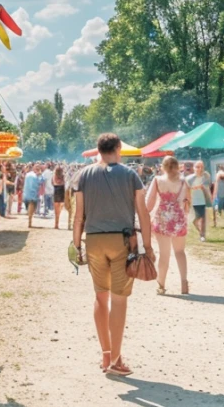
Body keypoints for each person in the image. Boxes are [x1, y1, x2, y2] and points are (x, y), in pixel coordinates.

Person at [73, 133, 151, 377]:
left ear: (98, 149)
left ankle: (106, 353)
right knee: (119, 299)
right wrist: (148, 247)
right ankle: (116, 360)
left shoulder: (83, 175)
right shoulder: (130, 175)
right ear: (118, 148)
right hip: (122, 240)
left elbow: (78, 215)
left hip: (94, 240)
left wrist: (76, 245)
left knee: (100, 296)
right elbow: (143, 213)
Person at [145, 155, 190, 295]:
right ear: (178, 167)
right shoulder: (184, 182)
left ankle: (161, 285)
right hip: (178, 218)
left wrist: (145, 214)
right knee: (180, 251)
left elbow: (150, 201)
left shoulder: (158, 180)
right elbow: (187, 204)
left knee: (164, 254)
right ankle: (184, 282)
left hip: (162, 218)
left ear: (162, 167)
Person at [186, 160, 213, 242]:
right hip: (195, 200)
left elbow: (209, 185)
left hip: (204, 199)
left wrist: (205, 190)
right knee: (198, 217)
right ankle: (199, 230)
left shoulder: (206, 176)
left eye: (202, 167)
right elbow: (186, 189)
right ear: (194, 168)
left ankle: (202, 235)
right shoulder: (189, 179)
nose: (200, 169)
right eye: (198, 167)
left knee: (203, 218)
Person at [23, 163, 44, 228]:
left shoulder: (28, 174)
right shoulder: (37, 176)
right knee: (32, 209)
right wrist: (40, 174)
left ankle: (30, 220)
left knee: (28, 208)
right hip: (33, 194)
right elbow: (41, 182)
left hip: (26, 194)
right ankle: (30, 221)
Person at [52, 165, 67, 229]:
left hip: (56, 190)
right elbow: (65, 183)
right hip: (62, 191)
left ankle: (56, 224)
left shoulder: (54, 176)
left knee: (56, 209)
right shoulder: (63, 176)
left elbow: (52, 183)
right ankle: (58, 218)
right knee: (61, 207)